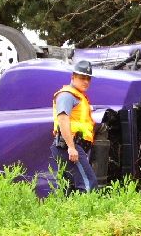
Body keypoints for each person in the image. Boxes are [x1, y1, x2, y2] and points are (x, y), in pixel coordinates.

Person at [50, 60, 98, 193]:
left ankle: (70, 213)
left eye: (88, 79)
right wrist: (71, 147)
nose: (86, 82)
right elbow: (63, 119)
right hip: (69, 145)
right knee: (88, 184)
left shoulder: (79, 96)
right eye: (82, 78)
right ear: (73, 77)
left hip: (71, 146)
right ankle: (89, 214)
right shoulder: (67, 95)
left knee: (70, 188)